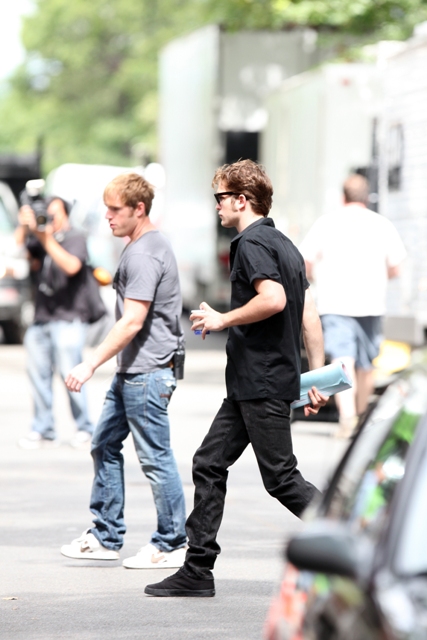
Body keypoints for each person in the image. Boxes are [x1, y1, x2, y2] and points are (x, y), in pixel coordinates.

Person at [144, 159, 327, 598]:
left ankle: (358, 543)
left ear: (242, 200)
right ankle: (197, 569)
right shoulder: (286, 246)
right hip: (255, 383)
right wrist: (317, 377)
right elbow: (309, 313)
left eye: (221, 198)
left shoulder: (251, 243)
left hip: (260, 382)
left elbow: (275, 299)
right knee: (209, 463)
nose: (217, 206)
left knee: (281, 479)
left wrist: (223, 319)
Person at [60, 172, 187, 570]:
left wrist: (89, 363)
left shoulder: (144, 253)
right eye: (107, 208)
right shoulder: (143, 245)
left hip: (147, 372)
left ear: (139, 209)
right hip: (135, 370)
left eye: (115, 209)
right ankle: (105, 535)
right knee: (103, 444)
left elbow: (132, 321)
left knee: (155, 458)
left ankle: (171, 543)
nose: (108, 216)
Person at [299, 173, 407, 437]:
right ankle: (360, 420)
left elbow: (305, 262)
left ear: (343, 197)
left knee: (342, 358)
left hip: (335, 303)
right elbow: (396, 267)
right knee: (366, 364)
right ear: (366, 197)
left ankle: (348, 419)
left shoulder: (326, 223)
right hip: (372, 303)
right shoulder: (382, 224)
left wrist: (317, 277)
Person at [16, 196, 94, 450]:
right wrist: (24, 226)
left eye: (53, 214)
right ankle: (43, 429)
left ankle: (84, 428)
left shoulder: (75, 237)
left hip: (69, 317)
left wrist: (45, 237)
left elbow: (71, 266)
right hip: (41, 318)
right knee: (37, 376)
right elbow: (17, 251)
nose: (48, 219)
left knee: (72, 375)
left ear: (66, 214)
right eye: (45, 214)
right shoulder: (39, 239)